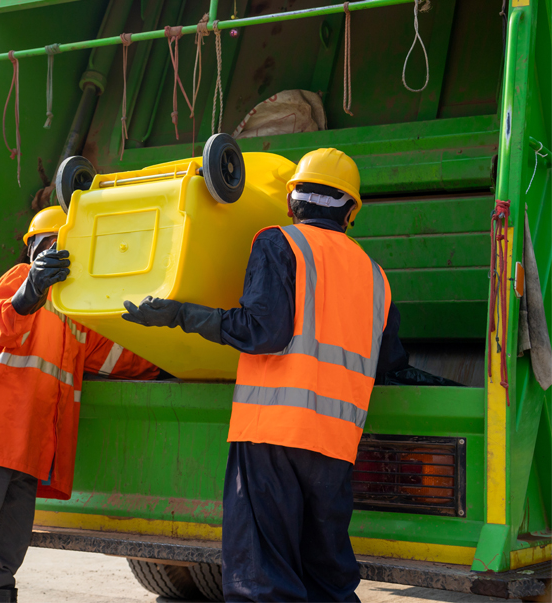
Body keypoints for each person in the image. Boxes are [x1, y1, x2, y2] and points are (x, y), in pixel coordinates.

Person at [122, 148, 409, 602]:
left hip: (272, 434)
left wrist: (180, 313)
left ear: (293, 201)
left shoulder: (280, 242)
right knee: (328, 578)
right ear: (351, 211)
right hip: (335, 444)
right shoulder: (376, 276)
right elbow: (390, 360)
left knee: (265, 580)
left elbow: (263, 331)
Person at [0, 206, 159, 603]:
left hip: (30, 449)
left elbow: (117, 358)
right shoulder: (17, 279)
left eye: (62, 245)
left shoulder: (77, 313)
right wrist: (31, 292)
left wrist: (168, 353)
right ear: (32, 252)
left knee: (5, 555)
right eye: (47, 246)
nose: (55, 253)